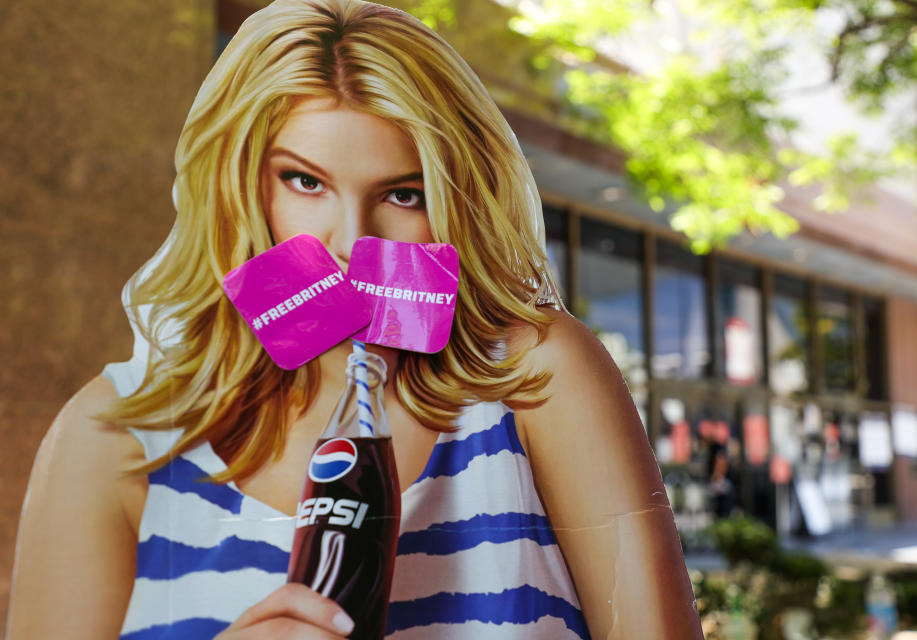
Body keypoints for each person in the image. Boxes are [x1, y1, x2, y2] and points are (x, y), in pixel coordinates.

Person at [7, 1, 703, 638]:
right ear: (239, 186)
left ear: (455, 197)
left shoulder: (534, 377)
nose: (348, 240)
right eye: (304, 181)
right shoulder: (113, 437)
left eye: (403, 193)